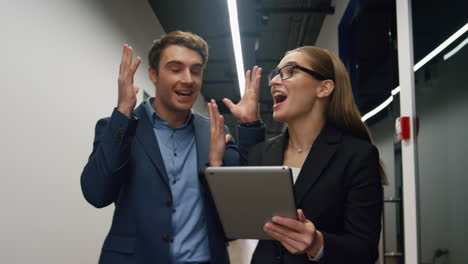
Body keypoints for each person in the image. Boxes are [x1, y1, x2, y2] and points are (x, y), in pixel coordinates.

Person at [80, 31, 265, 264]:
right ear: (153, 74)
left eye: (195, 71)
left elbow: (246, 202)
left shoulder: (216, 132)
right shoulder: (118, 127)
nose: (188, 79)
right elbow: (97, 193)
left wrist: (249, 126)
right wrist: (123, 113)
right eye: (176, 69)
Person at [209, 46, 384, 263]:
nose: (273, 82)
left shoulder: (357, 155)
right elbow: (233, 222)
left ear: (324, 88)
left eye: (290, 71)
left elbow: (365, 251)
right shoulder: (263, 153)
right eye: (276, 74)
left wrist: (317, 244)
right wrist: (216, 163)